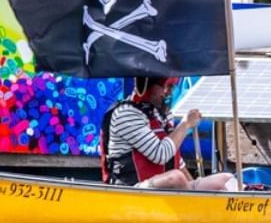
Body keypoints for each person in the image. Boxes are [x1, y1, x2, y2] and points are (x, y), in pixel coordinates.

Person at [100, 76, 238, 191]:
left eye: (172, 87)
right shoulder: (126, 114)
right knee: (175, 178)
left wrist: (196, 188)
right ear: (148, 86)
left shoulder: (161, 113)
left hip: (164, 187)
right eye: (167, 86)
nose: (169, 92)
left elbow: (178, 161)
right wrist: (185, 124)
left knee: (225, 179)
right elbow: (160, 155)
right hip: (132, 190)